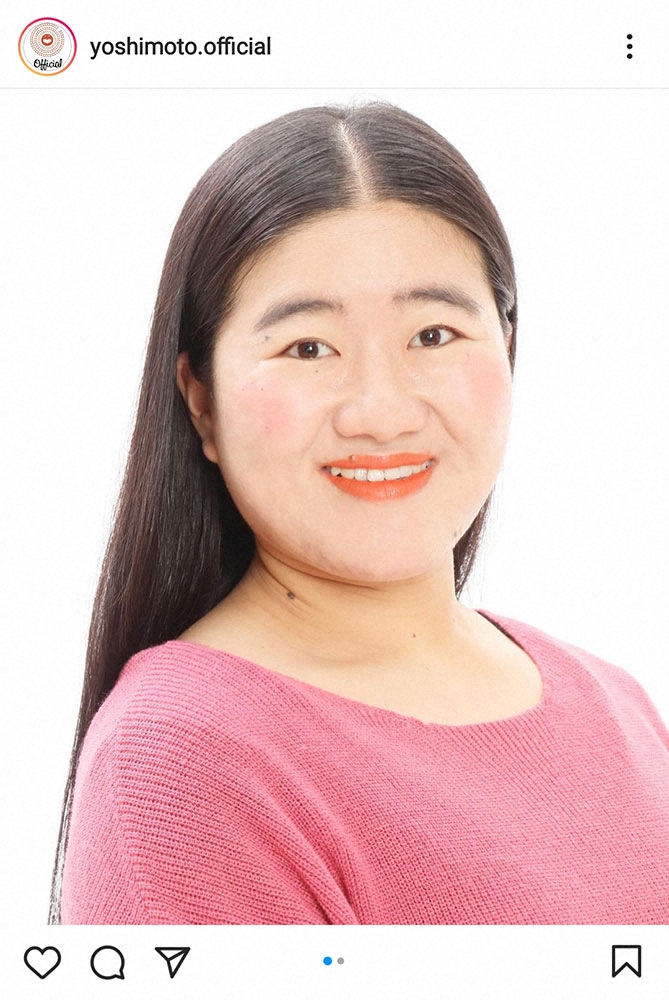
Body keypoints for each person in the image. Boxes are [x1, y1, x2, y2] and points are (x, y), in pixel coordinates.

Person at [52, 102, 669, 925]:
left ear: (507, 346)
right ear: (201, 401)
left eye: (434, 335)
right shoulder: (184, 758)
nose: (381, 412)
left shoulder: (618, 706)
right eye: (308, 347)